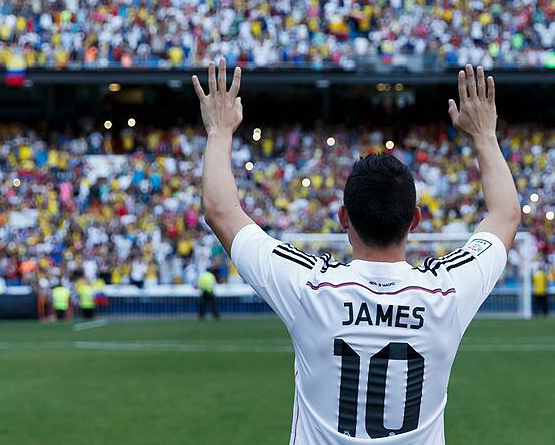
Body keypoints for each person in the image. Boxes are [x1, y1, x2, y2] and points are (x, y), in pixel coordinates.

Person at [195, 60, 520, 443]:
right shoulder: (445, 293)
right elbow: (505, 215)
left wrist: (219, 131)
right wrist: (485, 136)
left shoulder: (311, 287)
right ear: (415, 220)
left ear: (343, 218)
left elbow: (220, 211)